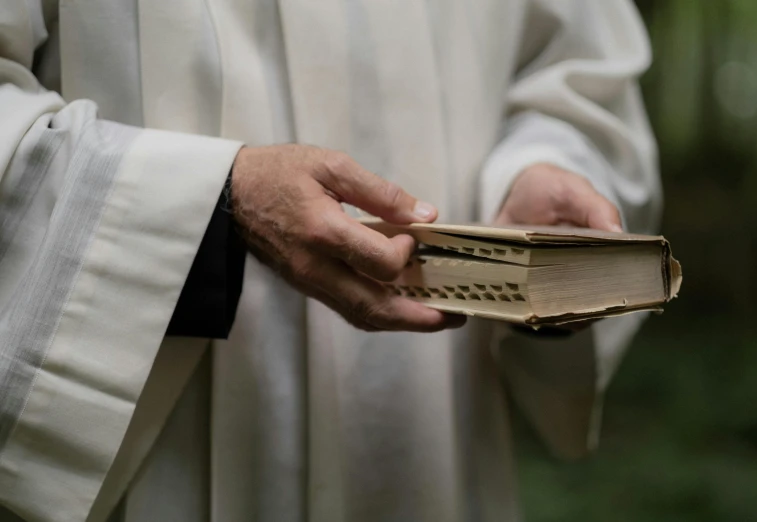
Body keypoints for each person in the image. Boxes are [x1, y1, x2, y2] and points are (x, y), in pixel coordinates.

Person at [0, 0, 661, 520]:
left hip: (433, 445)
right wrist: (211, 201)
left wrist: (535, 182)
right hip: (155, 449)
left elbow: (576, 86)